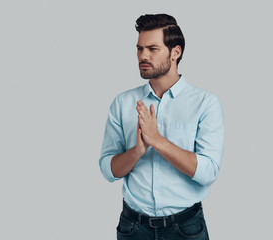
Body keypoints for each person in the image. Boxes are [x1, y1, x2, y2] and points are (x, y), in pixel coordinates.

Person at [99, 13, 224, 240]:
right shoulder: (123, 102)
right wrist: (137, 151)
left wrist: (157, 140)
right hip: (133, 228)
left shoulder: (205, 103)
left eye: (152, 49)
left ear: (175, 52)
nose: (143, 56)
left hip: (186, 228)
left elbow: (208, 172)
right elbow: (108, 170)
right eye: (139, 49)